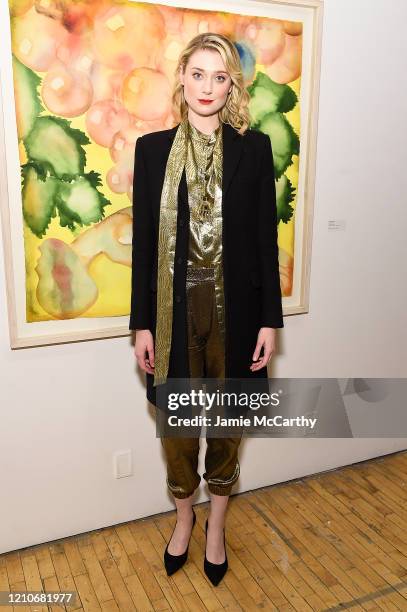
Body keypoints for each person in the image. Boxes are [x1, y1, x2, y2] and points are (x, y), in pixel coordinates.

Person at [129, 32, 283, 586]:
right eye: (198, 74)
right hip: (172, 317)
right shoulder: (150, 152)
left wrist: (271, 320)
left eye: (220, 77)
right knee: (178, 426)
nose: (207, 87)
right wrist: (141, 324)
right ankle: (183, 516)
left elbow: (266, 242)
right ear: (182, 78)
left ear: (232, 86)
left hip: (237, 315)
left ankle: (216, 525)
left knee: (226, 423)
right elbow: (145, 245)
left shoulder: (255, 149)